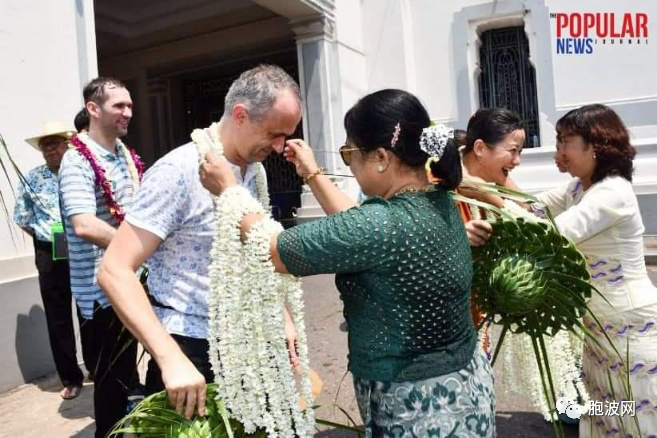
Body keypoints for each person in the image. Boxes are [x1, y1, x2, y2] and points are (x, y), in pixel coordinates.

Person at [200, 89, 496, 437]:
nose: (349, 164)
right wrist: (312, 174)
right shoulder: (438, 201)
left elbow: (275, 250)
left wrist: (230, 190)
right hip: (467, 388)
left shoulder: (381, 224)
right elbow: (357, 231)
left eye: (349, 153)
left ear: (382, 157)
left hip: (420, 405)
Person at [97, 65, 302, 420]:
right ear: (240, 115)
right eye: (274, 133)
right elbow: (114, 270)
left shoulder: (256, 170)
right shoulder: (178, 171)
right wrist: (169, 357)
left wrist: (282, 314)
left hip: (246, 340)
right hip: (190, 349)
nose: (281, 146)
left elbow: (255, 249)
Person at [535, 105, 657, 437]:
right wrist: (485, 185)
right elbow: (529, 207)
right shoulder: (579, 188)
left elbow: (552, 234)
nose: (559, 152)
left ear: (596, 145)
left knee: (636, 413)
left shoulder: (612, 192)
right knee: (608, 410)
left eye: (565, 142)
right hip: (599, 326)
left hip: (629, 324)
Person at [59, 77, 141, 438]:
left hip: (131, 278)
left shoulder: (124, 155)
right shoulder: (76, 161)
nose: (127, 113)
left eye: (130, 106)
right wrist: (136, 246)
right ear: (93, 109)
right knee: (110, 381)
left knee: (127, 374)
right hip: (101, 290)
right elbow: (83, 225)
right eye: (118, 106)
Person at [13, 121, 86, 400]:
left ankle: (95, 365)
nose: (49, 150)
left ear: (67, 144)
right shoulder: (32, 178)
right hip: (49, 251)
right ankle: (70, 377)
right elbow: (23, 218)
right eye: (45, 147)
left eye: (54, 144)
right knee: (58, 318)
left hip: (82, 248)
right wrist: (47, 236)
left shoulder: (79, 173)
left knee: (88, 310)